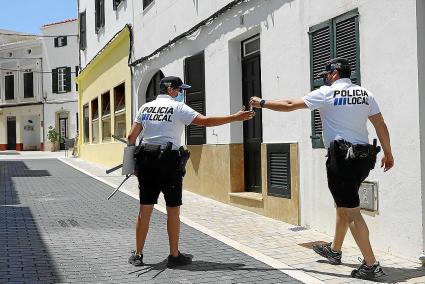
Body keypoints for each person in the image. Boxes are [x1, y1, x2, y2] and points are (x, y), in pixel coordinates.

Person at [249, 58, 394, 280]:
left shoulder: (327, 93)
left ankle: (371, 265)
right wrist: (388, 152)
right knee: (343, 203)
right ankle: (334, 250)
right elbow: (380, 123)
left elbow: (289, 105)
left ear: (335, 73)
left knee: (351, 211)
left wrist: (263, 103)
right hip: (364, 158)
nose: (325, 77)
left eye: (327, 74)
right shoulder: (366, 94)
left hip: (342, 158)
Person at [127, 76, 254, 268]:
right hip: (169, 162)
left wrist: (132, 166)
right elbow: (205, 122)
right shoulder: (178, 108)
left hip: (146, 161)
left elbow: (131, 137)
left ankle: (137, 254)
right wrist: (235, 118)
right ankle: (174, 256)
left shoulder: (145, 108)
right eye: (178, 90)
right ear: (170, 89)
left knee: (145, 209)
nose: (180, 94)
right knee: (172, 210)